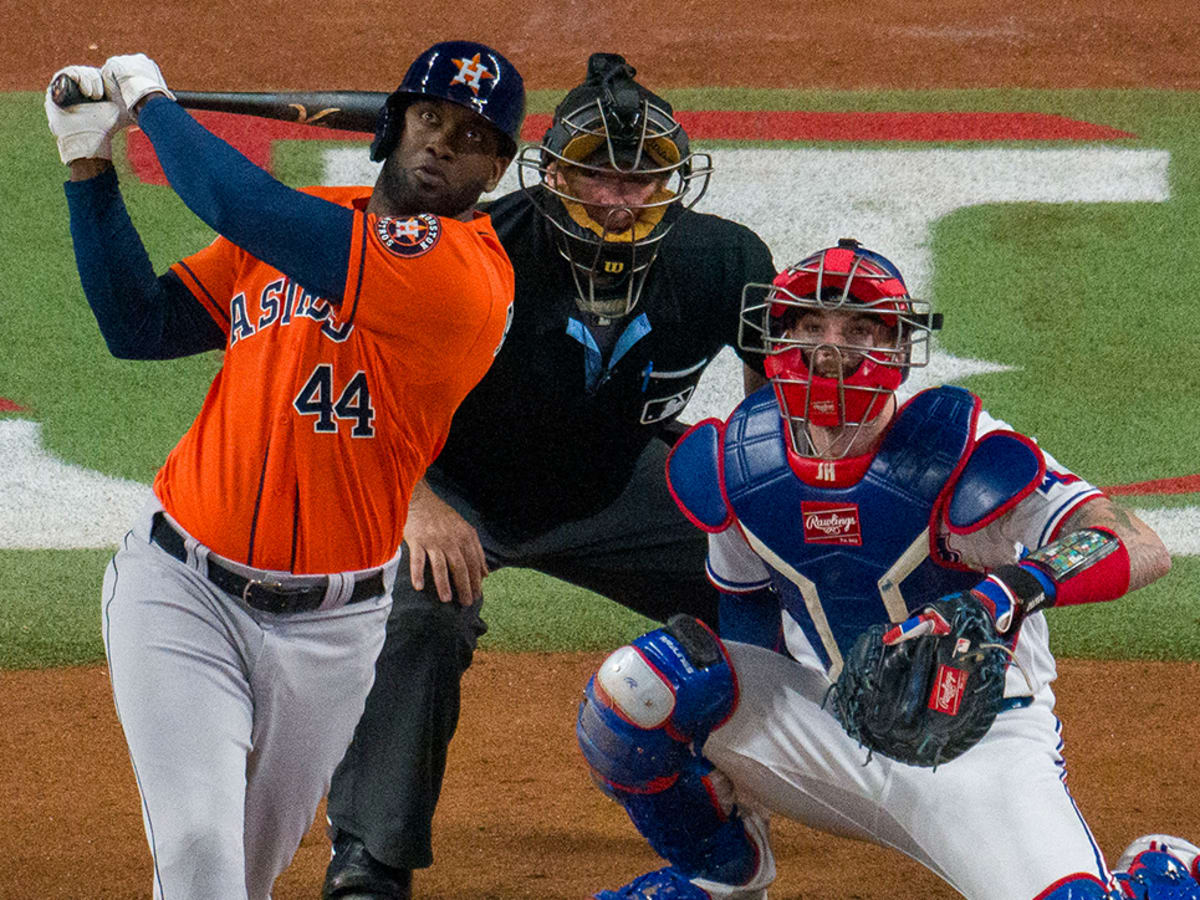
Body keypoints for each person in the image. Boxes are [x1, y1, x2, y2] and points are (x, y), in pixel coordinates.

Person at [44, 41, 524, 900]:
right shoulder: (307, 220)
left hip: (333, 634)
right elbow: (139, 324)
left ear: (495, 168)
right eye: (428, 116)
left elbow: (238, 201)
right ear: (392, 127)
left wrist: (153, 105)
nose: (443, 143)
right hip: (181, 587)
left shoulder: (462, 278)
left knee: (245, 876)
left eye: (472, 136)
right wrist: (87, 170)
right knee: (198, 854)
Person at [576, 239, 1194, 900]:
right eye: (810, 325)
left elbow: (1133, 541)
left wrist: (1009, 590)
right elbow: (745, 606)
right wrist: (731, 749)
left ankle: (1164, 876)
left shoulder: (962, 448)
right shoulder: (739, 460)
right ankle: (723, 876)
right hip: (834, 719)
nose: (830, 347)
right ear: (777, 339)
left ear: (898, 350)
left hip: (976, 742)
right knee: (638, 689)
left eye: (859, 328)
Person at [322, 53, 777, 898]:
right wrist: (415, 504)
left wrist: (772, 527)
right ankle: (370, 859)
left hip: (614, 486)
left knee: (774, 586)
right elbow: (364, 383)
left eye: (644, 179)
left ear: (677, 181)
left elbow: (774, 418)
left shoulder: (726, 262)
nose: (618, 197)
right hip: (455, 487)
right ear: (552, 172)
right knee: (421, 615)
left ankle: (726, 796)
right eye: (595, 175)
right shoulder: (476, 248)